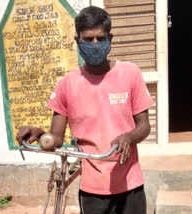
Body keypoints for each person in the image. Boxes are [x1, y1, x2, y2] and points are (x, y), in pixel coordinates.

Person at [16, 6, 153, 214]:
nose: (95, 44)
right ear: (77, 41)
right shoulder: (67, 85)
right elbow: (57, 138)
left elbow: (144, 126)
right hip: (92, 190)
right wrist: (41, 135)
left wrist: (129, 137)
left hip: (130, 183)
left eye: (101, 38)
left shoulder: (130, 74)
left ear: (110, 38)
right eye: (88, 39)